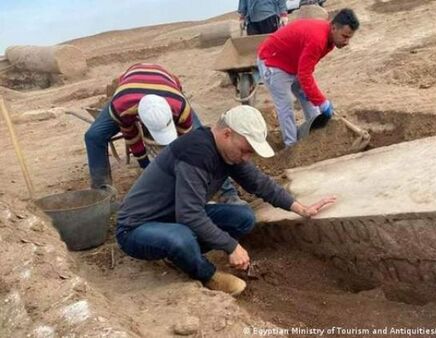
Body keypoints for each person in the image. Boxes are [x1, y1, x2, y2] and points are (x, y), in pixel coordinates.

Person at [116, 105, 336, 296]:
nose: (246, 157)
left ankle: (182, 255)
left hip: (174, 218)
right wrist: (231, 246)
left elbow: (259, 183)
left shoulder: (227, 151)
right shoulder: (196, 154)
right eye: (245, 150)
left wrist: (300, 208)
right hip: (136, 228)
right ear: (227, 134)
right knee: (181, 238)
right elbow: (190, 214)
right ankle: (208, 275)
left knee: (243, 218)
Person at [84, 63, 243, 203]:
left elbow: (188, 143)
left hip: (167, 85)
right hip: (129, 90)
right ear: (139, 118)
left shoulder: (180, 107)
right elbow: (132, 136)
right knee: (93, 137)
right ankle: (103, 195)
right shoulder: (122, 108)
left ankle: (228, 192)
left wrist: (185, 175)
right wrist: (146, 166)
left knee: (203, 140)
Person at [257, 8, 359, 146]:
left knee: (311, 99)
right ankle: (291, 147)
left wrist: (314, 97)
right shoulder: (318, 39)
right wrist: (323, 102)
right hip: (272, 60)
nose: (347, 42)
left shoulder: (329, 39)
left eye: (349, 37)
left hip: (292, 63)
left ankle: (317, 134)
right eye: (345, 36)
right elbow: (305, 74)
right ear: (334, 27)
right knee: (286, 104)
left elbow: (306, 70)